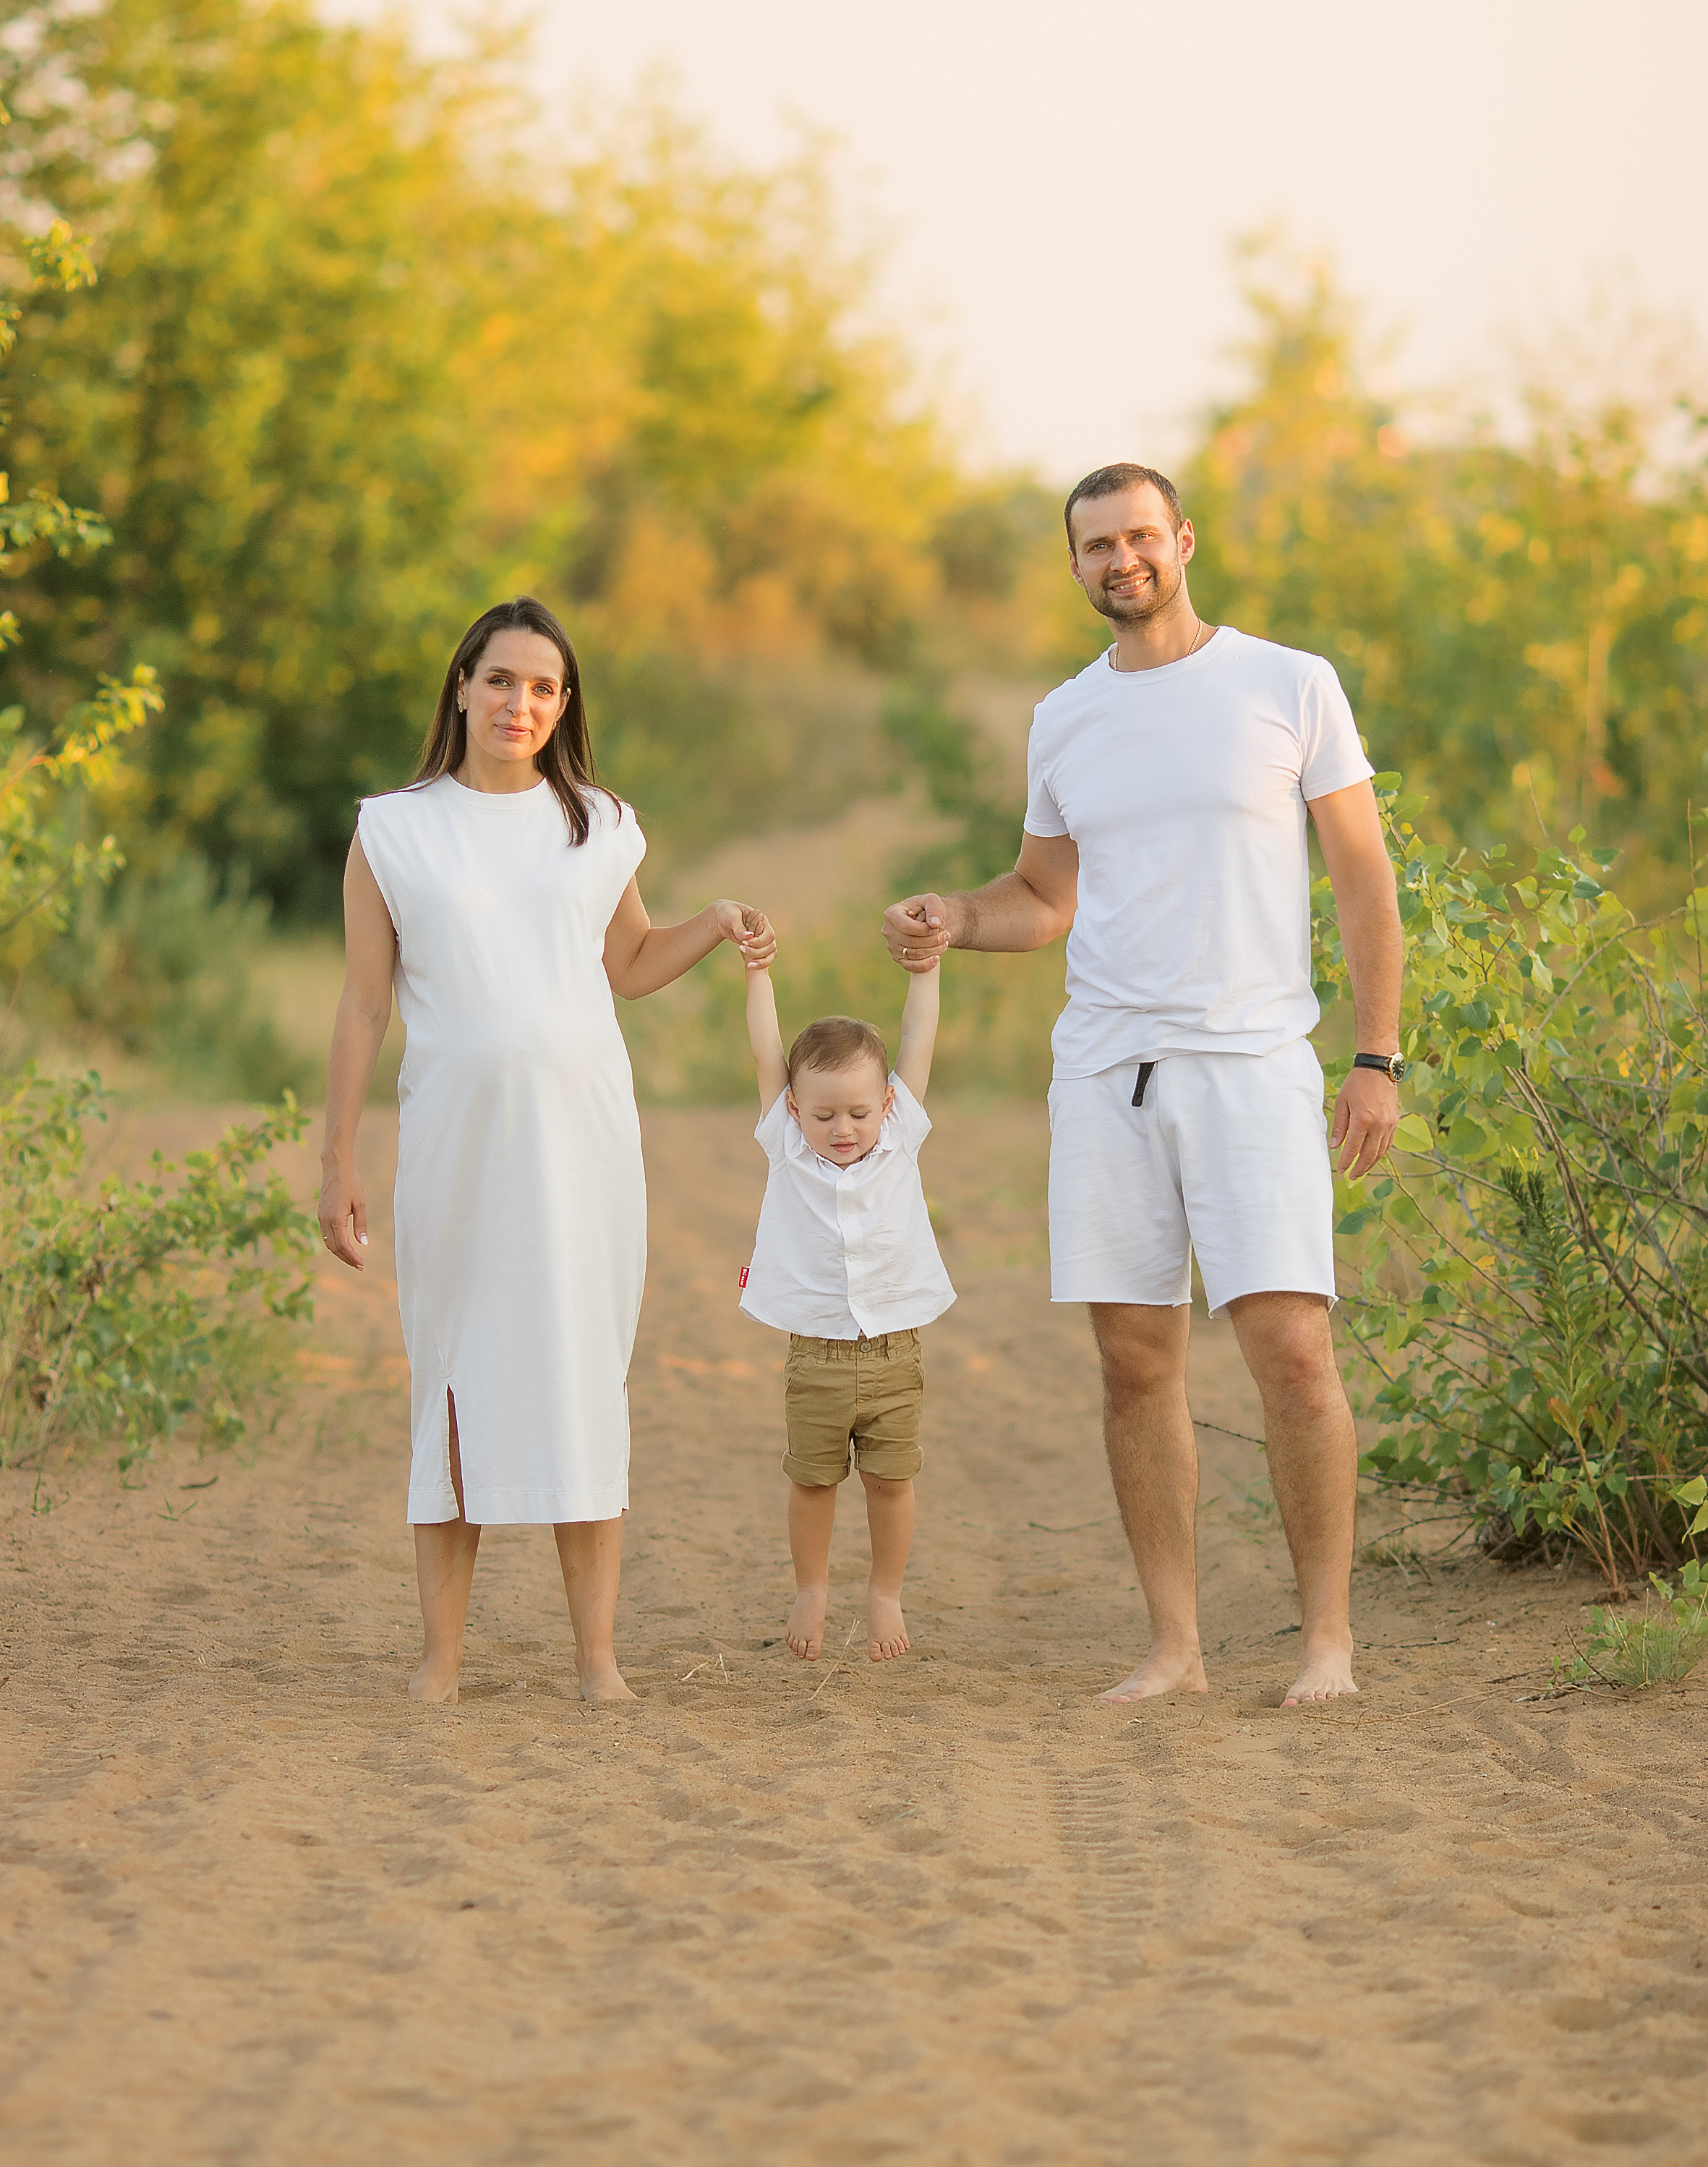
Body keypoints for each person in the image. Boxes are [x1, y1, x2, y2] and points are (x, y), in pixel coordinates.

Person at [882, 463, 1404, 1708]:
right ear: (1072, 569)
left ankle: (1325, 1644)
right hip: (1107, 1070)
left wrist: (1374, 1057)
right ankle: (1173, 1647)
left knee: (1288, 1345)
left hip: (1253, 1063)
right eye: (1093, 546)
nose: (1119, 560)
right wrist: (955, 913)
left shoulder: (1287, 682)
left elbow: (1364, 881)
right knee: (1132, 1360)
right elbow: (1046, 898)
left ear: (1181, 539)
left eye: (1137, 537)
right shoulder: (1063, 717)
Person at [317, 595, 775, 1706]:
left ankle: (596, 1660)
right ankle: (441, 1660)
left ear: (563, 704)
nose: (519, 701)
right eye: (500, 679)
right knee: (457, 1376)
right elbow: (364, 1007)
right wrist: (334, 1161)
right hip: (453, 1145)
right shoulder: (394, 828)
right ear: (461, 686)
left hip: (584, 1144)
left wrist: (710, 924)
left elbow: (625, 962)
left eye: (543, 686)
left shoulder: (599, 822)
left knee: (580, 1370)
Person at [739, 951, 955, 1664]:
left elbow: (917, 1042)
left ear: (887, 1105)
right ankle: (811, 1586)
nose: (842, 1128)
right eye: (823, 1112)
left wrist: (926, 971)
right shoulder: (786, 1149)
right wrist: (758, 972)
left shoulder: (899, 1141)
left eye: (859, 1111)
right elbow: (766, 1051)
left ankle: (885, 1591)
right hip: (817, 1356)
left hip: (895, 1351)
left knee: (893, 1482)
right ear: (793, 1108)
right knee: (812, 1481)